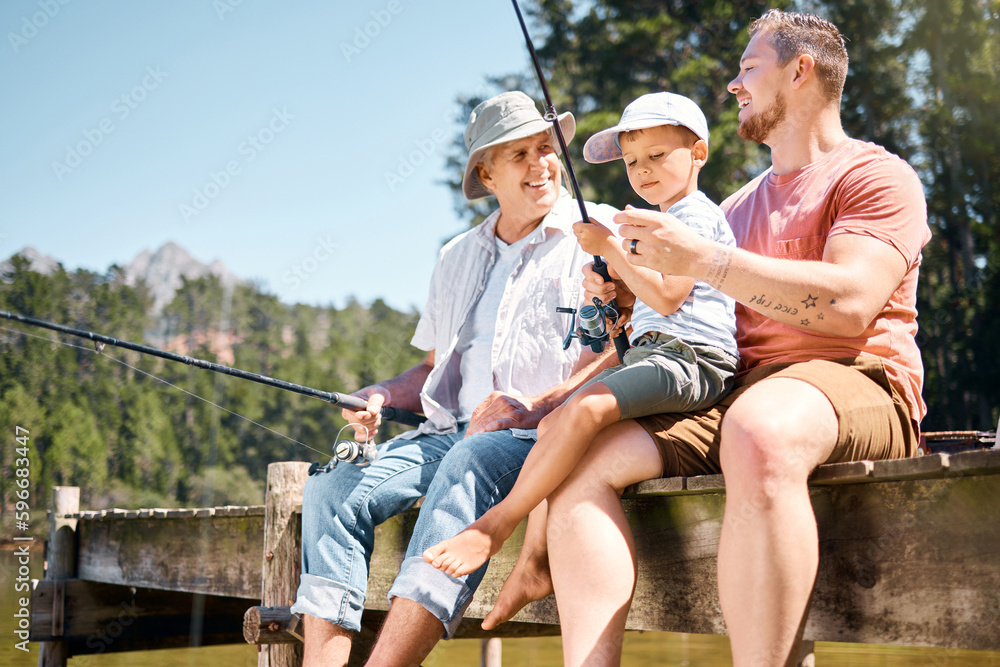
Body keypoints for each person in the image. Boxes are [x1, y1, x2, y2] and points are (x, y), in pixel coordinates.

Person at [483, 10, 932, 667]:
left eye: (749, 69)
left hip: (858, 378)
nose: (734, 85)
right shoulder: (731, 209)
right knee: (582, 459)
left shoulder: (872, 176)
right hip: (734, 393)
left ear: (800, 69)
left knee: (757, 428)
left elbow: (850, 304)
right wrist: (560, 393)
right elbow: (681, 327)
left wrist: (707, 262)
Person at [290, 90, 620, 667]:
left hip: (540, 437)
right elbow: (428, 369)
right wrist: (377, 396)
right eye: (519, 154)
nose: (542, 163)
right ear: (485, 173)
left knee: (470, 461)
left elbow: (624, 352)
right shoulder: (456, 255)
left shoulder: (602, 233)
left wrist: (533, 407)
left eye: (546, 147)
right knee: (330, 487)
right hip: (448, 434)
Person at [421, 92, 739, 579]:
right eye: (632, 161)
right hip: (656, 355)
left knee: (584, 409)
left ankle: (495, 526)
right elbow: (645, 304)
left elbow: (671, 298)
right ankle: (533, 564)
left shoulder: (694, 216)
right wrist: (614, 295)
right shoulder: (658, 222)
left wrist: (611, 247)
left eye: (657, 156)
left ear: (698, 155)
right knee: (552, 426)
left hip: (691, 360)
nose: (643, 170)